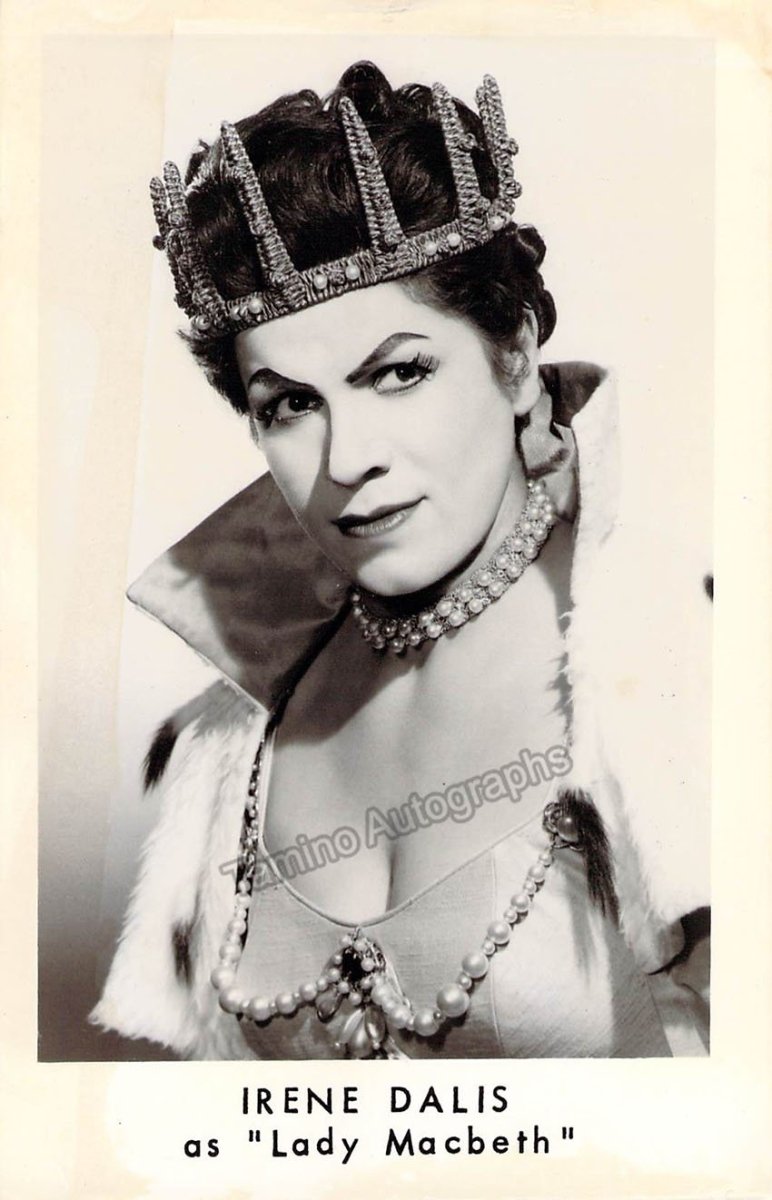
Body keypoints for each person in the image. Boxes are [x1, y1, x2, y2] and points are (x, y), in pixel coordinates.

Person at [89, 61, 710, 1060]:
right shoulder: (233, 730)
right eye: (291, 404)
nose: (347, 459)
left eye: (398, 372)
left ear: (515, 355)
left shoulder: (686, 657)